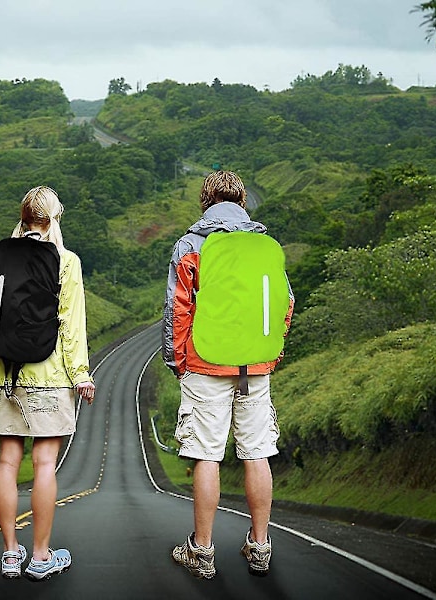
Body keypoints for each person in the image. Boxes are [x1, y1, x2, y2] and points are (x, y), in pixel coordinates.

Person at [162, 170, 293, 579]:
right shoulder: (265, 246)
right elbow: (286, 303)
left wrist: (176, 360)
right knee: (256, 451)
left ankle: (201, 551)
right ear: (242, 201)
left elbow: (178, 309)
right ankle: (260, 545)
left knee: (206, 454)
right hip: (255, 365)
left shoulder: (193, 244)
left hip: (205, 363)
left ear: (205, 202)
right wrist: (271, 352)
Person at [0, 186, 95, 581]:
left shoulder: (1, 255)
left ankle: (10, 554)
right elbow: (71, 324)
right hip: (48, 376)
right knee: (44, 464)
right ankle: (42, 556)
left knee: (7, 463)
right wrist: (81, 375)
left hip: (5, 374)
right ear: (54, 218)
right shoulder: (65, 260)